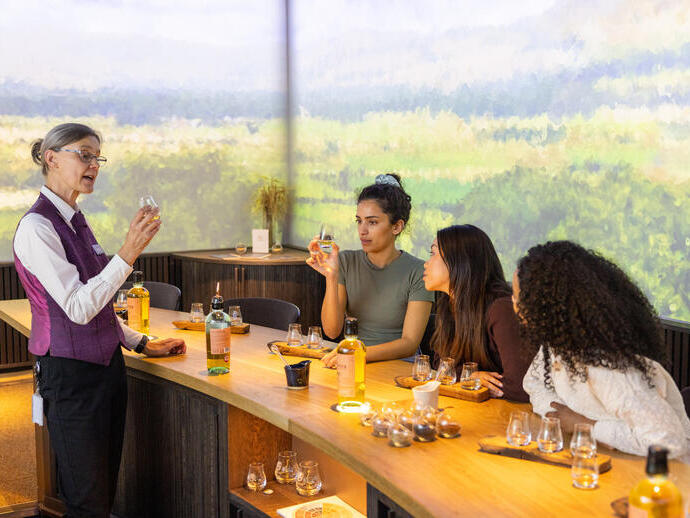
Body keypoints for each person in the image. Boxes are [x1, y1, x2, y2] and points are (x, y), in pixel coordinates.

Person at [13, 123, 186, 517]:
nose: (94, 165)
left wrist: (140, 341)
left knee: (102, 492)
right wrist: (128, 253)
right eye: (84, 155)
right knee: (87, 501)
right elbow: (77, 307)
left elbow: (100, 305)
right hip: (71, 377)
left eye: (97, 158)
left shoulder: (76, 219)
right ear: (51, 158)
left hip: (107, 369)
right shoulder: (37, 227)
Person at [515, 240, 690, 459]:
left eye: (519, 298)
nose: (514, 305)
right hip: (602, 460)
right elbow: (533, 383)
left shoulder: (611, 370)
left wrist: (586, 425)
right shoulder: (558, 347)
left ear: (544, 306)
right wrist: (558, 415)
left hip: (664, 477)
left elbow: (669, 443)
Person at [307, 173, 434, 366]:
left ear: (397, 226)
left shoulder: (418, 271)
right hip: (353, 362)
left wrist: (358, 353)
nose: (362, 230)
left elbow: (409, 344)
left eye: (372, 222)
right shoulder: (346, 261)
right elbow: (331, 331)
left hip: (400, 367)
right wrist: (331, 277)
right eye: (359, 221)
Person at [422, 224, 530, 401]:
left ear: (459, 260)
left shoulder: (501, 308)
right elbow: (440, 365)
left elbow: (522, 386)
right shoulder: (448, 303)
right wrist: (470, 376)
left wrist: (468, 380)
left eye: (433, 253)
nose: (426, 263)